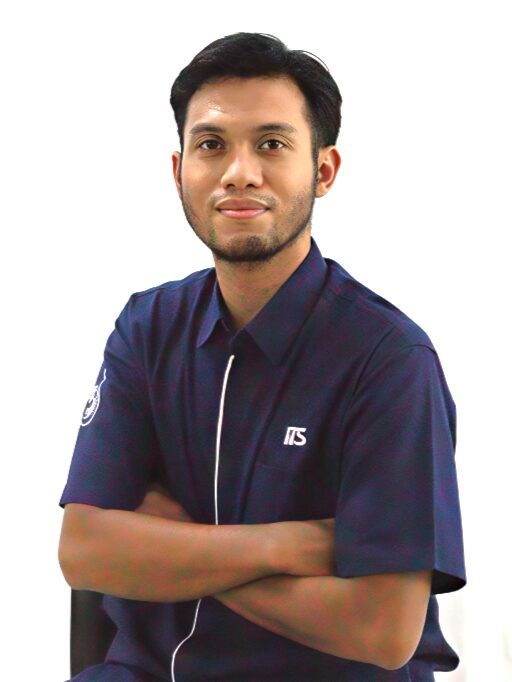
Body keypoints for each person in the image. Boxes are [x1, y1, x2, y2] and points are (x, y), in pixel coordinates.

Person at [58, 32, 466, 682]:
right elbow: (84, 552)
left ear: (323, 171)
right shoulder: (147, 327)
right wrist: (286, 545)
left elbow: (383, 630)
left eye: (272, 144)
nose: (239, 172)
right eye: (211, 145)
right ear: (179, 170)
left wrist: (173, 550)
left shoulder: (389, 360)